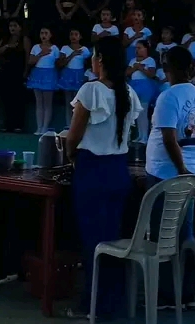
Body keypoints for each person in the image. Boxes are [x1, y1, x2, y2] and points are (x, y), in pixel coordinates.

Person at [64, 36, 143, 321]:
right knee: (112, 239)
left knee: (92, 242)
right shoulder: (128, 92)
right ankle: (112, 300)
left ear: (100, 60)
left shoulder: (91, 90)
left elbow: (73, 135)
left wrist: (70, 154)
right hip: (117, 170)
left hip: (92, 170)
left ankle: (91, 303)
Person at [145, 44, 195, 310]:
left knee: (163, 234)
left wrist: (180, 168)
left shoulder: (168, 97)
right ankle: (186, 293)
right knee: (184, 233)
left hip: (166, 173)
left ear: (167, 68)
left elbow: (170, 139)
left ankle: (166, 295)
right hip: (190, 172)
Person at [27, 27, 60, 135]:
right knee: (39, 102)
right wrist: (41, 53)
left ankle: (45, 127)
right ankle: (39, 127)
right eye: (42, 33)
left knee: (47, 103)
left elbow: (58, 63)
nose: (43, 35)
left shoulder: (55, 48)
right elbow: (31, 61)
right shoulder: (36, 47)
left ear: (50, 35)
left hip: (49, 75)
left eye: (46, 33)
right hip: (37, 74)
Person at [56, 29, 90, 126]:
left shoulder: (84, 50)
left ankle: (76, 125)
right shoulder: (65, 48)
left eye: (76, 34)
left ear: (80, 37)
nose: (73, 36)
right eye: (71, 34)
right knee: (68, 101)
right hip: (68, 75)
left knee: (77, 102)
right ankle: (68, 125)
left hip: (79, 76)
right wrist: (72, 55)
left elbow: (88, 63)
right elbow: (60, 63)